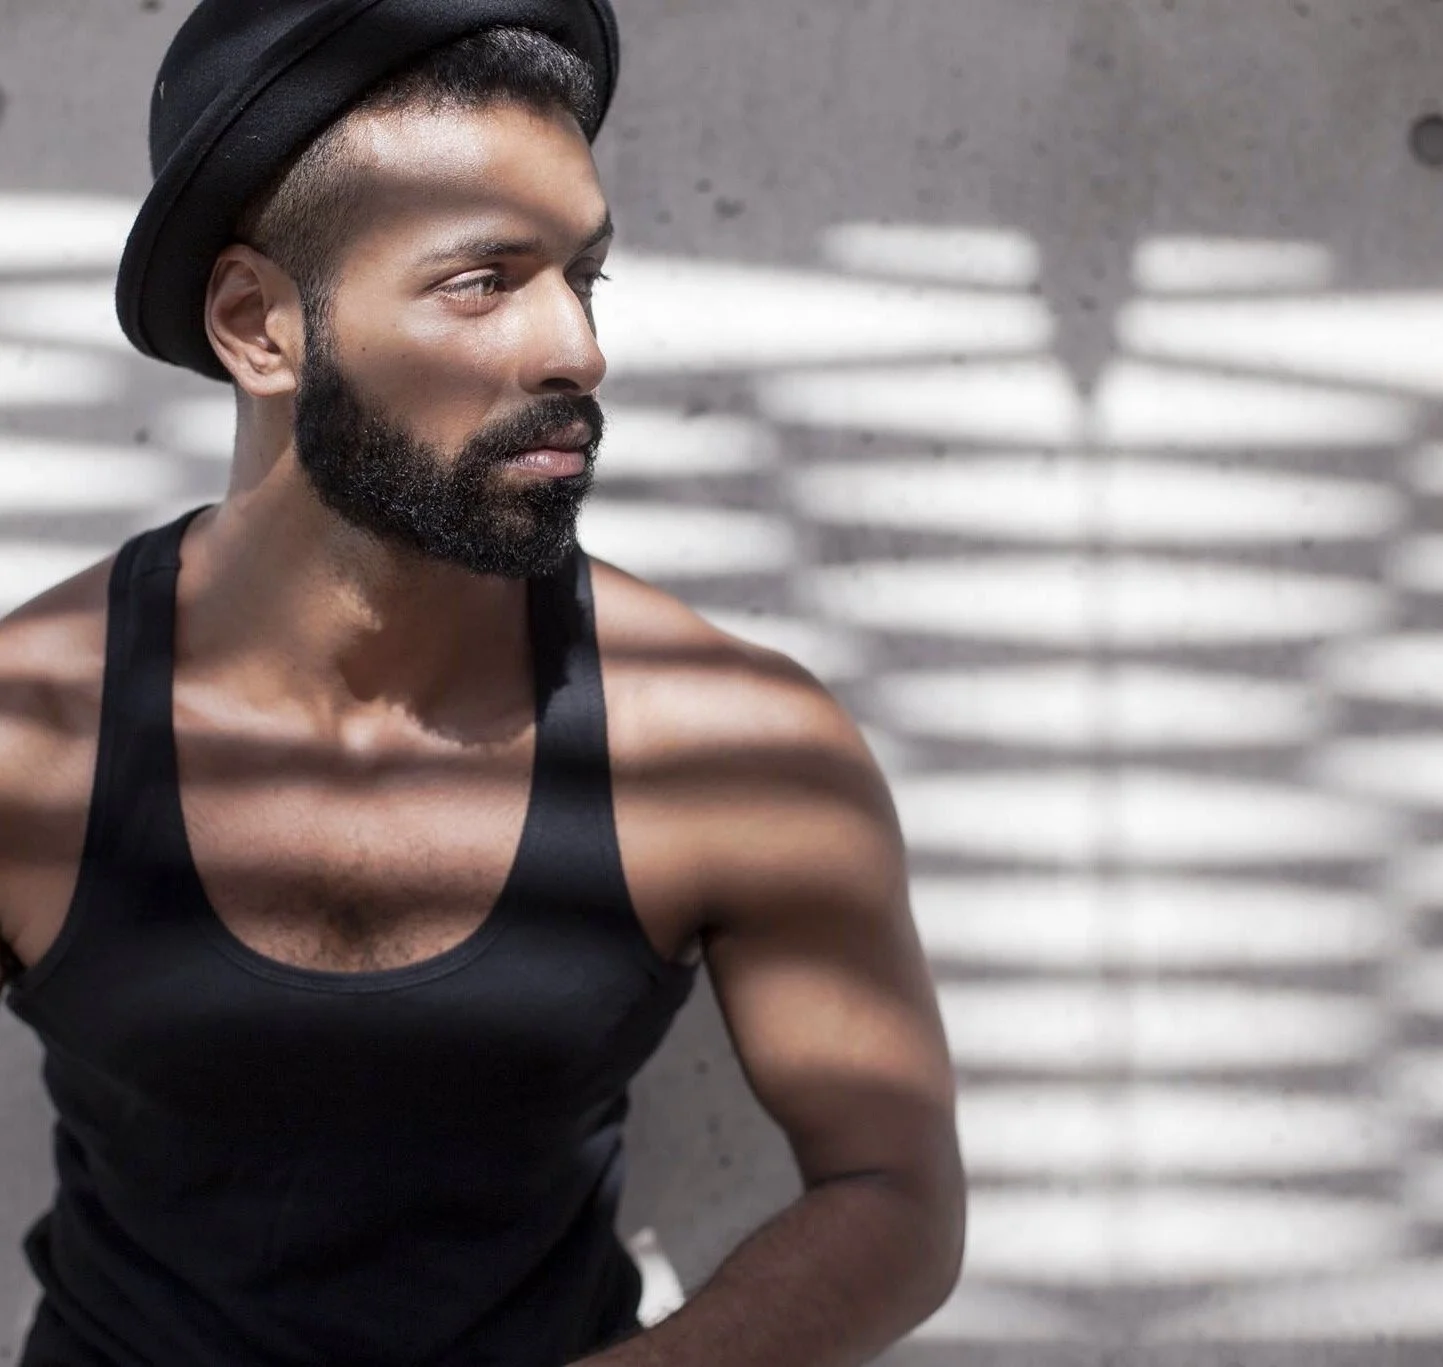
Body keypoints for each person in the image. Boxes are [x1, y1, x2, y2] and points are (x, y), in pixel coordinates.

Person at [0, 1, 966, 1363]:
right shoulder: (29, 737)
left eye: (585, 275)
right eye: (483, 280)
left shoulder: (737, 745)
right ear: (258, 325)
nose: (576, 347)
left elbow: (894, 1192)